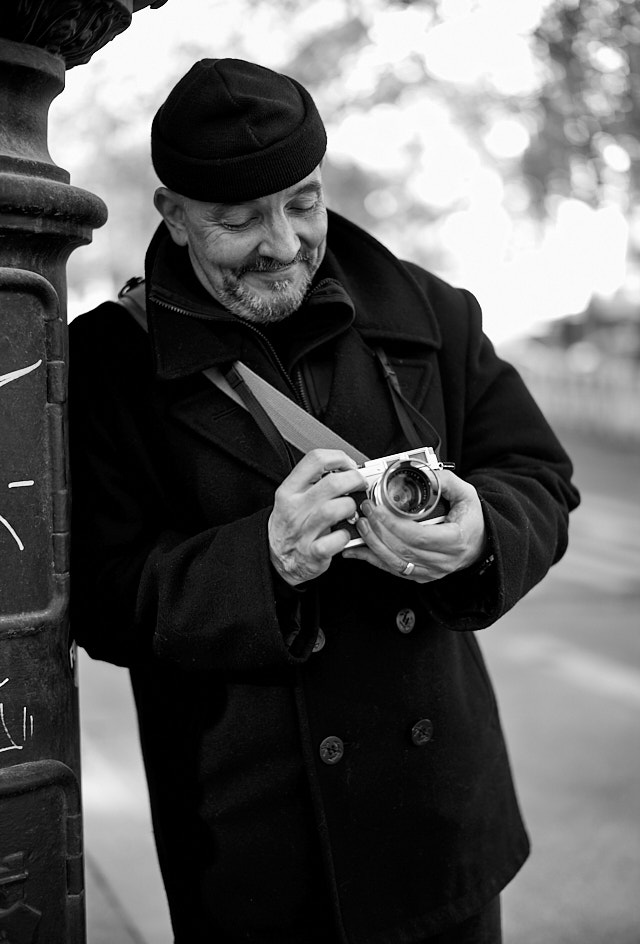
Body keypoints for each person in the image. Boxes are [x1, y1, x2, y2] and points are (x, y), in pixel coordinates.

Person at [69, 58, 580, 944]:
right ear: (175, 216)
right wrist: (265, 562)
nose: (284, 242)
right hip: (254, 848)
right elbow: (101, 598)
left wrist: (481, 535)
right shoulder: (108, 365)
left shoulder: (429, 309)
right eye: (237, 219)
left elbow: (538, 474)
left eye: (301, 201)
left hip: (441, 825)